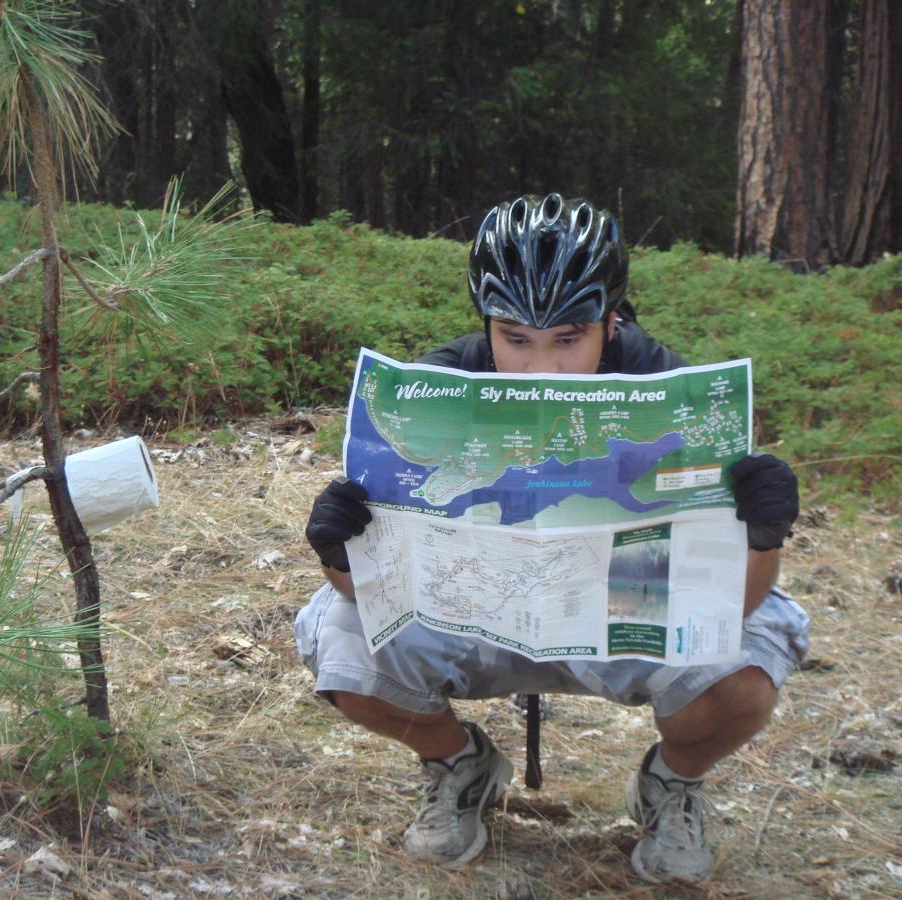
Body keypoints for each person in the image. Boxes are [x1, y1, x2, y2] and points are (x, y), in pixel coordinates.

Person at [294, 193, 808, 884]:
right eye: (516, 338)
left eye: (568, 339)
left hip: (622, 611)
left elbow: (727, 611)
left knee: (744, 678)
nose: (543, 368)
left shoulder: (672, 394)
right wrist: (339, 552)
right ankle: (457, 765)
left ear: (611, 318)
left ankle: (672, 783)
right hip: (481, 605)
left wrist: (763, 537)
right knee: (343, 646)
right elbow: (373, 596)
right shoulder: (434, 392)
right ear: (486, 323)